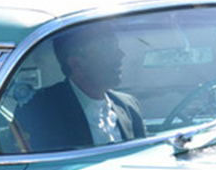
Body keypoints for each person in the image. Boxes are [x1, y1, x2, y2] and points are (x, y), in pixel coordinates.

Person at [16, 25, 145, 151]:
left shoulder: (128, 105)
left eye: (116, 46)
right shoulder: (40, 111)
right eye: (107, 48)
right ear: (76, 64)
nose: (120, 55)